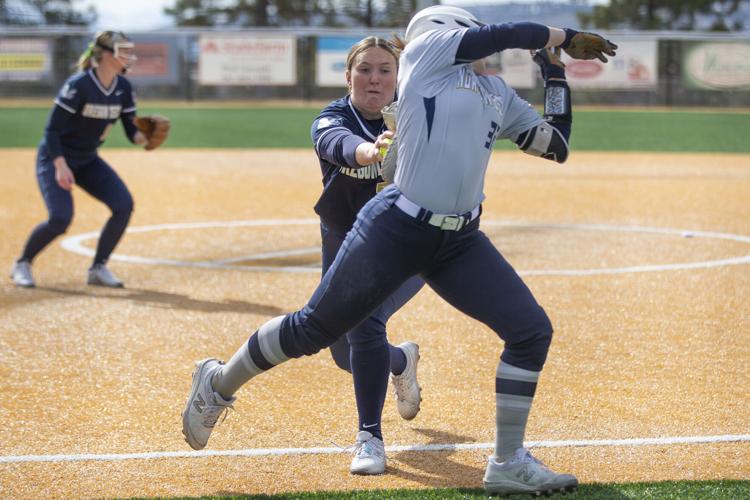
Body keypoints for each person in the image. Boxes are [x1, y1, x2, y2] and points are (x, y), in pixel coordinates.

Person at [181, 5, 616, 496]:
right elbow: (504, 34)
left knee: (531, 331)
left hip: (459, 240)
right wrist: (565, 34)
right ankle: (218, 382)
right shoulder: (427, 56)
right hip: (397, 226)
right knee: (314, 330)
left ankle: (509, 461)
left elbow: (554, 144)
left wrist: (555, 71)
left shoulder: (494, 91)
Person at [309, 36, 425, 474]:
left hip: (408, 246)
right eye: (364, 70)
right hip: (344, 244)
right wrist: (372, 150)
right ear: (348, 76)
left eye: (385, 70)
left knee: (363, 323)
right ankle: (401, 360)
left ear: (399, 78)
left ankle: (369, 437)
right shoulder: (332, 118)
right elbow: (335, 144)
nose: (374, 79)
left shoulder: (420, 115)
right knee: (344, 354)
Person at [9, 31, 165, 289]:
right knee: (60, 218)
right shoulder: (79, 84)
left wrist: (147, 136)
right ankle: (22, 263)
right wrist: (59, 165)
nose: (128, 55)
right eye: (122, 50)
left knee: (123, 205)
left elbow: (131, 132)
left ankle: (98, 268)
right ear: (105, 55)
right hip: (55, 156)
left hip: (87, 159)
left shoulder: (123, 88)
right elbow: (52, 131)